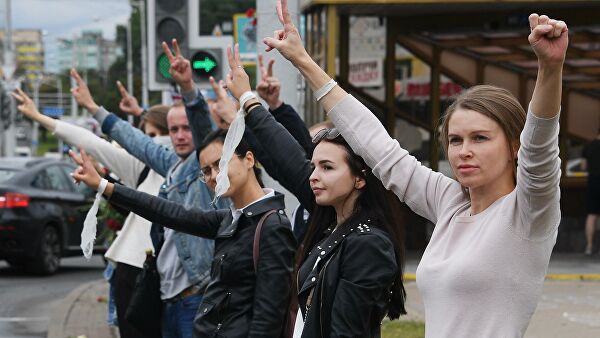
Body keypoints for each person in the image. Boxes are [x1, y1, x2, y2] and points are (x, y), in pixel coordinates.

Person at [265, 3, 566, 336]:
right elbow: (378, 148)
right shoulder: (450, 202)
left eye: (480, 138)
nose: (464, 151)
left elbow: (540, 147)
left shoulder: (528, 212)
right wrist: (303, 60)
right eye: (455, 140)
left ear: (514, 145)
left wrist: (550, 68)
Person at [219, 43, 407, 337]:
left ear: (360, 178)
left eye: (327, 168)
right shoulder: (333, 222)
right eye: (314, 166)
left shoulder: (368, 244)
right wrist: (246, 101)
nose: (313, 176)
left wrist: (249, 100)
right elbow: (285, 158)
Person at [70, 128, 296, 337]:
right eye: (206, 171)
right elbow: (170, 212)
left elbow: (268, 318)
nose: (214, 176)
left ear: (249, 159)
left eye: (221, 163)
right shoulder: (231, 218)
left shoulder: (272, 226)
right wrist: (103, 185)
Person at [69, 39, 225, 338]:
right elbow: (137, 142)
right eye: (173, 129)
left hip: (196, 295)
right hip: (169, 297)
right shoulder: (173, 166)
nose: (179, 136)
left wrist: (189, 90)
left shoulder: (202, 166)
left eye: (185, 128)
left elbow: (204, 129)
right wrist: (93, 108)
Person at [11, 87, 169, 338]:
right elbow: (91, 142)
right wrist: (38, 117)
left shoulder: (195, 170)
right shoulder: (140, 166)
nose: (158, 141)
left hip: (171, 279)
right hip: (130, 271)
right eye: (150, 135)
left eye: (165, 133)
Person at [583, 128, 600, 255]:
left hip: (592, 182)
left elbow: (584, 166)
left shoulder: (589, 146)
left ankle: (589, 246)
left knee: (591, 215)